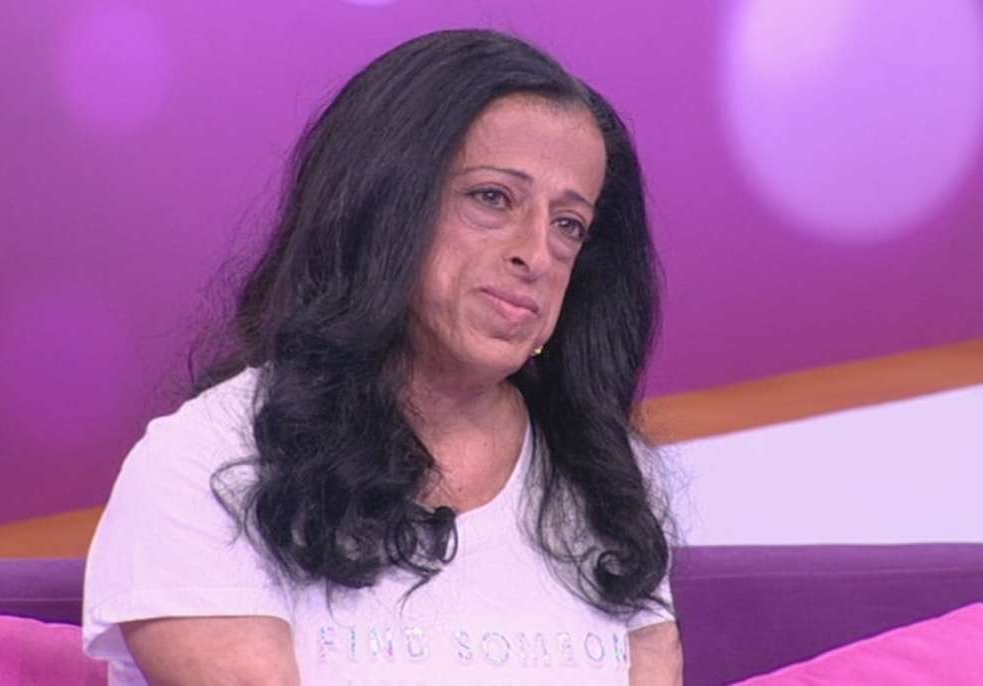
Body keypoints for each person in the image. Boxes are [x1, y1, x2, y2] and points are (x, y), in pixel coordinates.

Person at [82, 28, 682, 685]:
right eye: (492, 198)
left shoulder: (605, 478)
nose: (536, 254)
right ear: (381, 204)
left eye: (569, 224)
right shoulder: (208, 463)